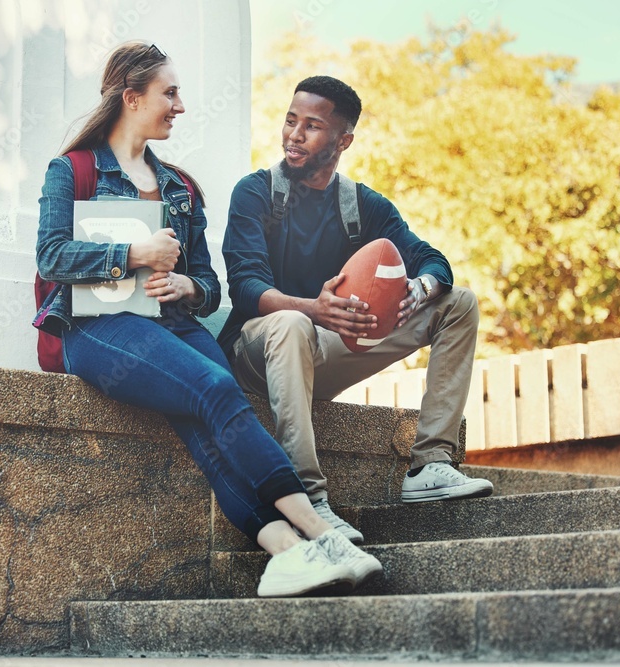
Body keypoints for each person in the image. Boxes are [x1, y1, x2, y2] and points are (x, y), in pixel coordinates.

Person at [32, 45, 381, 597]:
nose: (180, 106)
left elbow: (210, 282)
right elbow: (51, 256)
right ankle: (319, 533)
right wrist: (134, 254)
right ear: (131, 97)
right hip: (98, 327)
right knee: (217, 387)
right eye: (169, 93)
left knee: (208, 423)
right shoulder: (71, 169)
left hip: (173, 323)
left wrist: (189, 286)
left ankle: (285, 555)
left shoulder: (181, 187)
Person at [219, 75, 494, 544]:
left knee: (458, 302)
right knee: (290, 323)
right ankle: (308, 498)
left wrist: (420, 287)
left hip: (322, 353)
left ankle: (430, 464)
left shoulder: (363, 205)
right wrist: (314, 309)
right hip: (257, 357)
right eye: (290, 121)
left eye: (311, 126)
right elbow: (245, 287)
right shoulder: (255, 193)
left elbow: (432, 259)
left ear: (343, 139)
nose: (293, 134)